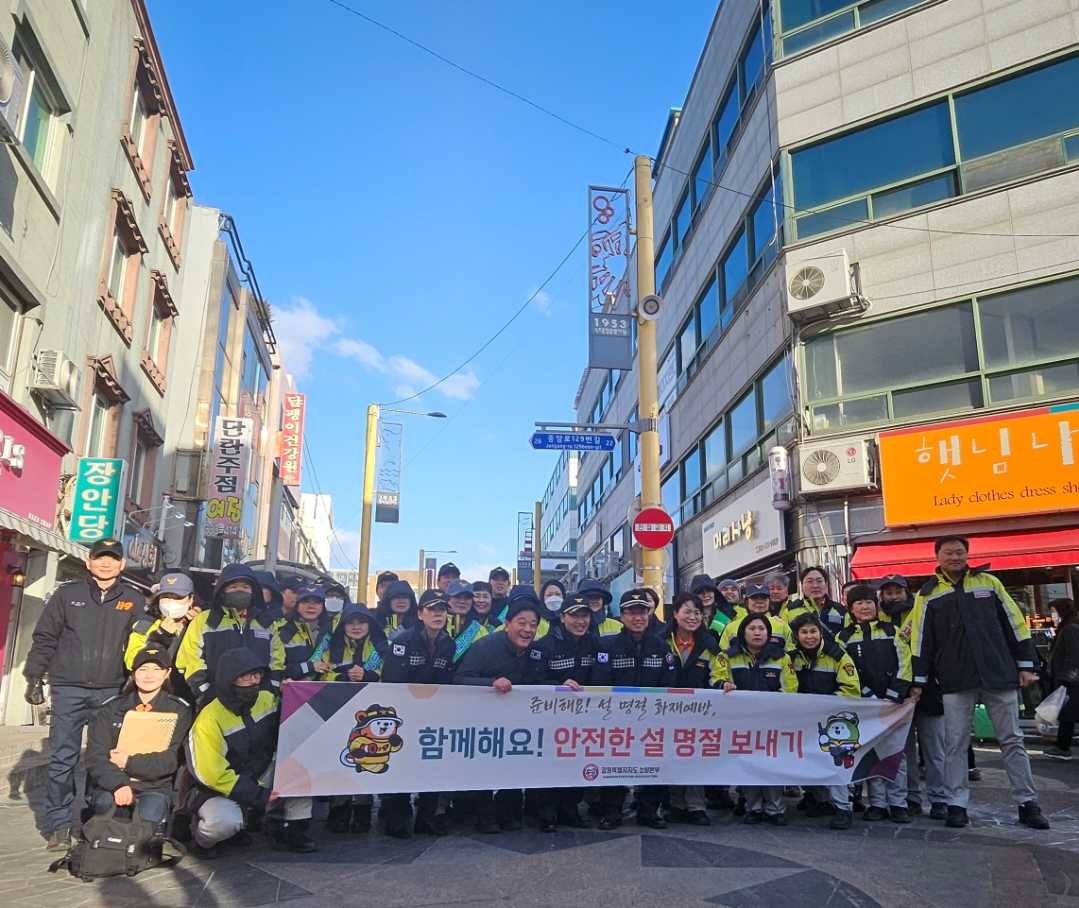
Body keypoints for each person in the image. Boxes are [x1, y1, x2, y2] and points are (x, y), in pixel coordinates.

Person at [910, 535, 1049, 830]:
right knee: (955, 744)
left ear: (967, 554)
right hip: (955, 679)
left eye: (959, 552)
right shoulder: (927, 594)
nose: (954, 557)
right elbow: (920, 640)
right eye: (948, 553)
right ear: (937, 557)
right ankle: (957, 805)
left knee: (1012, 740)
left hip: (999, 674)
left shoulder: (989, 583)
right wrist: (919, 680)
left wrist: (1025, 664)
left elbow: (1015, 623)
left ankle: (1028, 803)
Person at [24, 539, 147, 850]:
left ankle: (96, 817)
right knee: (62, 757)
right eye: (100, 558)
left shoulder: (133, 599)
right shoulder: (67, 595)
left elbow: (144, 645)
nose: (106, 563)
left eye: (113, 559)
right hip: (69, 688)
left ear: (122, 564)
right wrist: (34, 677)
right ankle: (58, 824)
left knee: (103, 757)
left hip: (111, 690)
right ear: (89, 561)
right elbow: (45, 637)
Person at [186, 648, 316, 854]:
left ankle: (291, 827)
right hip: (219, 789)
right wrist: (258, 796)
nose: (253, 681)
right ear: (229, 679)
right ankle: (202, 840)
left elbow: (291, 727)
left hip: (259, 775)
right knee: (223, 823)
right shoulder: (208, 720)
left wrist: (291, 694)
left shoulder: (267, 698)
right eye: (245, 677)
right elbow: (211, 773)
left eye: (257, 675)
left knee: (302, 764)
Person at [456, 591, 545, 833]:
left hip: (519, 725)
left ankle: (510, 813)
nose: (527, 630)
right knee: (485, 768)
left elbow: (544, 681)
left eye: (533, 625)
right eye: (522, 623)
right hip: (484, 722)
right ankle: (484, 816)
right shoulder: (484, 647)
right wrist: (491, 683)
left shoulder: (536, 652)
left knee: (514, 766)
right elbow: (460, 679)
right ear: (507, 624)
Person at [84, 647, 192, 838]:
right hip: (112, 784)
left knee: (145, 828)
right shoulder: (111, 709)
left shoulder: (179, 710)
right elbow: (95, 756)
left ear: (167, 673)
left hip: (154, 787)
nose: (149, 675)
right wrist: (118, 784)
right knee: (109, 819)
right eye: (143, 669)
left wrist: (128, 762)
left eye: (156, 669)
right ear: (133, 674)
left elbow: (171, 760)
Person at [593, 592, 677, 829]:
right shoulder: (607, 646)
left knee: (653, 764)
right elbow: (600, 683)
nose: (637, 617)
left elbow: (669, 682)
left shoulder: (661, 647)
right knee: (613, 766)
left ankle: (648, 812)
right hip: (616, 721)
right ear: (622, 616)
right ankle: (612, 812)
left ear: (649, 614)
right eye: (631, 612)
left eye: (642, 612)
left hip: (652, 721)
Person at [837, 585, 913, 824]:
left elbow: (905, 663)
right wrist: (866, 695)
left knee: (896, 753)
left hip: (896, 703)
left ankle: (898, 803)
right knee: (871, 753)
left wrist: (894, 693)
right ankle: (877, 803)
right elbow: (846, 670)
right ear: (851, 609)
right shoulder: (843, 637)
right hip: (865, 706)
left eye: (869, 602)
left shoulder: (893, 631)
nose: (865, 607)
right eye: (859, 603)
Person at [380, 595, 455, 837]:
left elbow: (446, 680)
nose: (438, 614)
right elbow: (391, 681)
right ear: (420, 614)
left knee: (431, 764)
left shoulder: (448, 643)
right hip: (404, 713)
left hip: (434, 715)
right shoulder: (402, 641)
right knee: (401, 765)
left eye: (442, 609)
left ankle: (427, 817)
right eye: (432, 609)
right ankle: (398, 817)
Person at [711, 614, 797, 824]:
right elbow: (717, 677)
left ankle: (775, 809)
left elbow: (790, 688)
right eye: (752, 628)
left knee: (772, 765)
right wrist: (723, 685)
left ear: (768, 633)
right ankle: (753, 808)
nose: (757, 633)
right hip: (741, 723)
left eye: (762, 629)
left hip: (773, 723)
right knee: (748, 764)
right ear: (743, 632)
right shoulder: (727, 656)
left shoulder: (782, 658)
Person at [877, 573, 947, 817]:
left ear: (906, 592)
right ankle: (911, 797)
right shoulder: (877, 618)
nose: (893, 597)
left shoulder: (921, 610)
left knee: (934, 748)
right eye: (888, 593)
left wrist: (924, 680)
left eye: (898, 591)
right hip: (897, 692)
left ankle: (940, 799)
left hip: (929, 689)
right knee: (903, 750)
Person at [318, 602, 388, 835]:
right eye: (351, 623)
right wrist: (342, 676)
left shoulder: (381, 646)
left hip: (371, 713)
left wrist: (368, 674)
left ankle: (363, 810)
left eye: (362, 622)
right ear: (343, 626)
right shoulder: (331, 646)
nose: (356, 627)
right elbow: (320, 675)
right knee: (340, 759)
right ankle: (339, 809)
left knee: (367, 759)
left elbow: (391, 674)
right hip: (338, 712)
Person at [787, 612, 860, 828]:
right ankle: (819, 799)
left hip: (833, 722)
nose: (809, 636)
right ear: (796, 636)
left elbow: (851, 689)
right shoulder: (791, 658)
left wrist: (825, 707)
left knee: (835, 764)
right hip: (803, 720)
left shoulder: (837, 656)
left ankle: (843, 808)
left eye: (813, 631)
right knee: (805, 760)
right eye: (804, 632)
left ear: (820, 632)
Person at [531, 594, 597, 831]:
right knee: (550, 765)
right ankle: (546, 814)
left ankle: (571, 810)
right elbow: (533, 681)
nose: (580, 621)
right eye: (574, 616)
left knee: (575, 764)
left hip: (583, 720)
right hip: (551, 720)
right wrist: (558, 685)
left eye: (585, 616)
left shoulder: (595, 644)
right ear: (562, 617)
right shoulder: (543, 646)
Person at [175, 564, 278, 707]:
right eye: (233, 587)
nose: (240, 591)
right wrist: (205, 691)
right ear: (222, 591)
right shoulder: (204, 620)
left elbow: (277, 660)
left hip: (260, 702)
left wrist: (270, 690)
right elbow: (188, 659)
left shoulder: (266, 623)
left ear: (253, 591)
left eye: (245, 587)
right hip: (214, 702)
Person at [666, 592, 719, 826]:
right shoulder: (662, 641)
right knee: (672, 756)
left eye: (697, 612)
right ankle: (675, 804)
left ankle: (696, 806)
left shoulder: (709, 644)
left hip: (700, 713)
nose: (693, 617)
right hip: (667, 712)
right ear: (675, 614)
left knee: (695, 757)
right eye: (687, 611)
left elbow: (719, 672)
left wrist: (723, 684)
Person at [272, 586, 332, 682]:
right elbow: (278, 670)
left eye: (317, 602)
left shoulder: (331, 632)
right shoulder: (282, 630)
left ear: (323, 606)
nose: (311, 606)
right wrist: (310, 667)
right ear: (297, 605)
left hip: (325, 689)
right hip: (292, 688)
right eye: (305, 602)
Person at [1044, 598, 1079, 760]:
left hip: (1071, 682)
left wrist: (1066, 679)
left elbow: (1074, 656)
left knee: (1067, 714)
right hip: (1070, 680)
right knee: (1068, 714)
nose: (1052, 615)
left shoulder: (1070, 629)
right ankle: (1062, 746)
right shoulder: (1067, 627)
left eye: (1053, 611)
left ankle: (1063, 747)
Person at [719, 583, 791, 651]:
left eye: (764, 598)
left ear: (769, 601)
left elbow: (791, 651)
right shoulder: (731, 627)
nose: (759, 601)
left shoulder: (781, 625)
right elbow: (723, 655)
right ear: (746, 602)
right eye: (754, 598)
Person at [783, 566, 847, 639]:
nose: (815, 586)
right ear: (801, 586)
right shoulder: (790, 610)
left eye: (819, 581)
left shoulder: (840, 610)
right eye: (810, 581)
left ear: (826, 584)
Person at [446, 580, 489, 663]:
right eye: (457, 597)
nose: (462, 601)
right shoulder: (436, 623)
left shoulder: (480, 630)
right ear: (447, 599)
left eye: (467, 598)